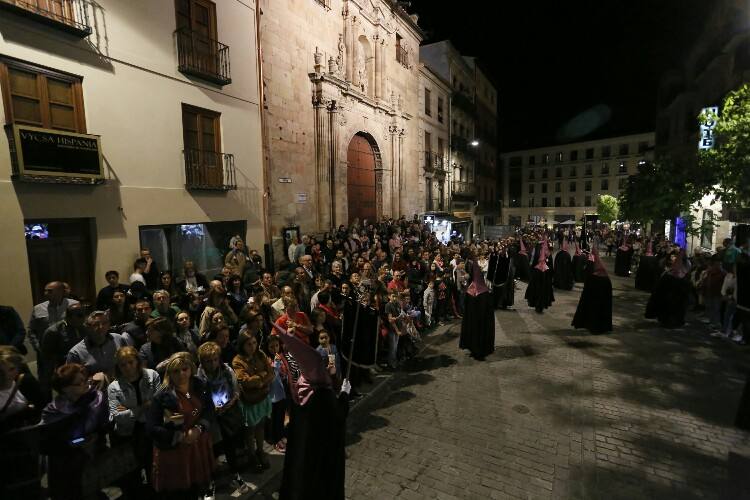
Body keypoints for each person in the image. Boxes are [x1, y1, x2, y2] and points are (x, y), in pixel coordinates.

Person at [273, 320, 350, 500]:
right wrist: (345, 395)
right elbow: (338, 417)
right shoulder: (322, 394)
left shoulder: (302, 384)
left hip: (303, 449)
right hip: (322, 454)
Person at [147, 353, 216, 499]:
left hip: (197, 445)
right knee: (178, 492)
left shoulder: (200, 386)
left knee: (196, 486)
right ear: (169, 373)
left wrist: (199, 428)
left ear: (191, 369)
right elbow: (152, 428)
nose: (181, 374)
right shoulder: (162, 396)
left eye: (184, 369)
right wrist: (181, 437)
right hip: (174, 451)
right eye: (176, 371)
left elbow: (209, 409)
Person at [40, 363, 109, 500]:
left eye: (85, 379)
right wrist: (77, 442)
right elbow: (47, 443)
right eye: (79, 383)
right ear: (65, 389)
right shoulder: (53, 411)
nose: (86, 384)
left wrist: (96, 436)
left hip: (92, 454)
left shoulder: (96, 398)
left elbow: (105, 425)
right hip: (66, 464)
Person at [196, 342, 250, 494]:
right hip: (209, 417)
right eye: (208, 360)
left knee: (229, 445)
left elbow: (236, 391)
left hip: (227, 413)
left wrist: (227, 405)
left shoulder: (226, 370)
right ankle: (211, 481)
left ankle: (235, 474)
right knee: (211, 449)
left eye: (215, 359)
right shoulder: (198, 377)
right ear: (201, 361)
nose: (212, 363)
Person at [107, 346, 160, 494]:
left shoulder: (152, 375)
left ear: (137, 361)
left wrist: (129, 411)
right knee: (132, 474)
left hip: (149, 428)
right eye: (123, 365)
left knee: (153, 468)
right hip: (128, 433)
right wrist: (143, 407)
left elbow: (158, 404)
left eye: (130, 362)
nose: (128, 367)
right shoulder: (114, 387)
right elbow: (117, 416)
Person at [0, 346, 44, 499]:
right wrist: (24, 412)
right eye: (1, 371)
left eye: (11, 369)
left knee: (31, 484)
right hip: (4, 450)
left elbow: (43, 406)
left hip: (27, 445)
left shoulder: (25, 382)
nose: (6, 375)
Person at [232, 331, 274, 472]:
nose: (252, 347)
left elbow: (271, 373)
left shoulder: (260, 354)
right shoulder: (238, 361)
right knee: (250, 429)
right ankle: (251, 454)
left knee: (261, 425)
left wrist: (259, 381)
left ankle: (260, 450)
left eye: (254, 343)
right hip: (249, 400)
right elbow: (245, 381)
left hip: (262, 396)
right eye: (249, 344)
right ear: (242, 345)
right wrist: (261, 378)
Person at [40, 303, 87, 400]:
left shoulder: (83, 328)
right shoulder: (53, 331)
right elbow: (47, 359)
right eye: (79, 316)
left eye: (84, 315)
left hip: (83, 371)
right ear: (69, 316)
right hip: (65, 373)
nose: (84, 318)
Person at [66, 311, 128, 381]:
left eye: (104, 323)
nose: (101, 327)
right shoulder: (76, 353)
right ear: (87, 327)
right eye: (96, 324)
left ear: (109, 325)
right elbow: (71, 381)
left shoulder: (119, 339)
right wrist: (91, 379)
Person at [459, 251, 495, 360]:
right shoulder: (485, 291)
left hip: (473, 321)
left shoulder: (470, 290)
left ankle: (474, 347)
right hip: (482, 321)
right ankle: (481, 348)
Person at [645, 249, 692, 328]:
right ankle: (667, 320)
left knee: (676, 306)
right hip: (671, 290)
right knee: (669, 306)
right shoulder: (672, 267)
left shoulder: (686, 264)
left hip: (677, 290)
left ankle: (672, 320)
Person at [572, 247, 613, 334]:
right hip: (601, 299)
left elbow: (586, 294)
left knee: (593, 308)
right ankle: (600, 326)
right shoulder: (605, 278)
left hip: (593, 298)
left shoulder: (592, 277)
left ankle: (591, 324)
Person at [265, 335, 287, 453]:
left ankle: (281, 435)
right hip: (272, 394)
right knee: (274, 417)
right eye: (271, 346)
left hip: (282, 391)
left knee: (281, 415)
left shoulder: (281, 356)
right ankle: (275, 440)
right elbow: (273, 374)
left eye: (277, 345)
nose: (275, 348)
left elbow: (284, 373)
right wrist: (277, 364)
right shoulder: (267, 360)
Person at [525, 239, 555, 314]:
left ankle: (540, 305)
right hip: (538, 274)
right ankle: (538, 304)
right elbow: (533, 262)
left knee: (542, 290)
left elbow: (550, 265)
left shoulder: (546, 254)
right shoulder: (538, 252)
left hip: (543, 275)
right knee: (538, 290)